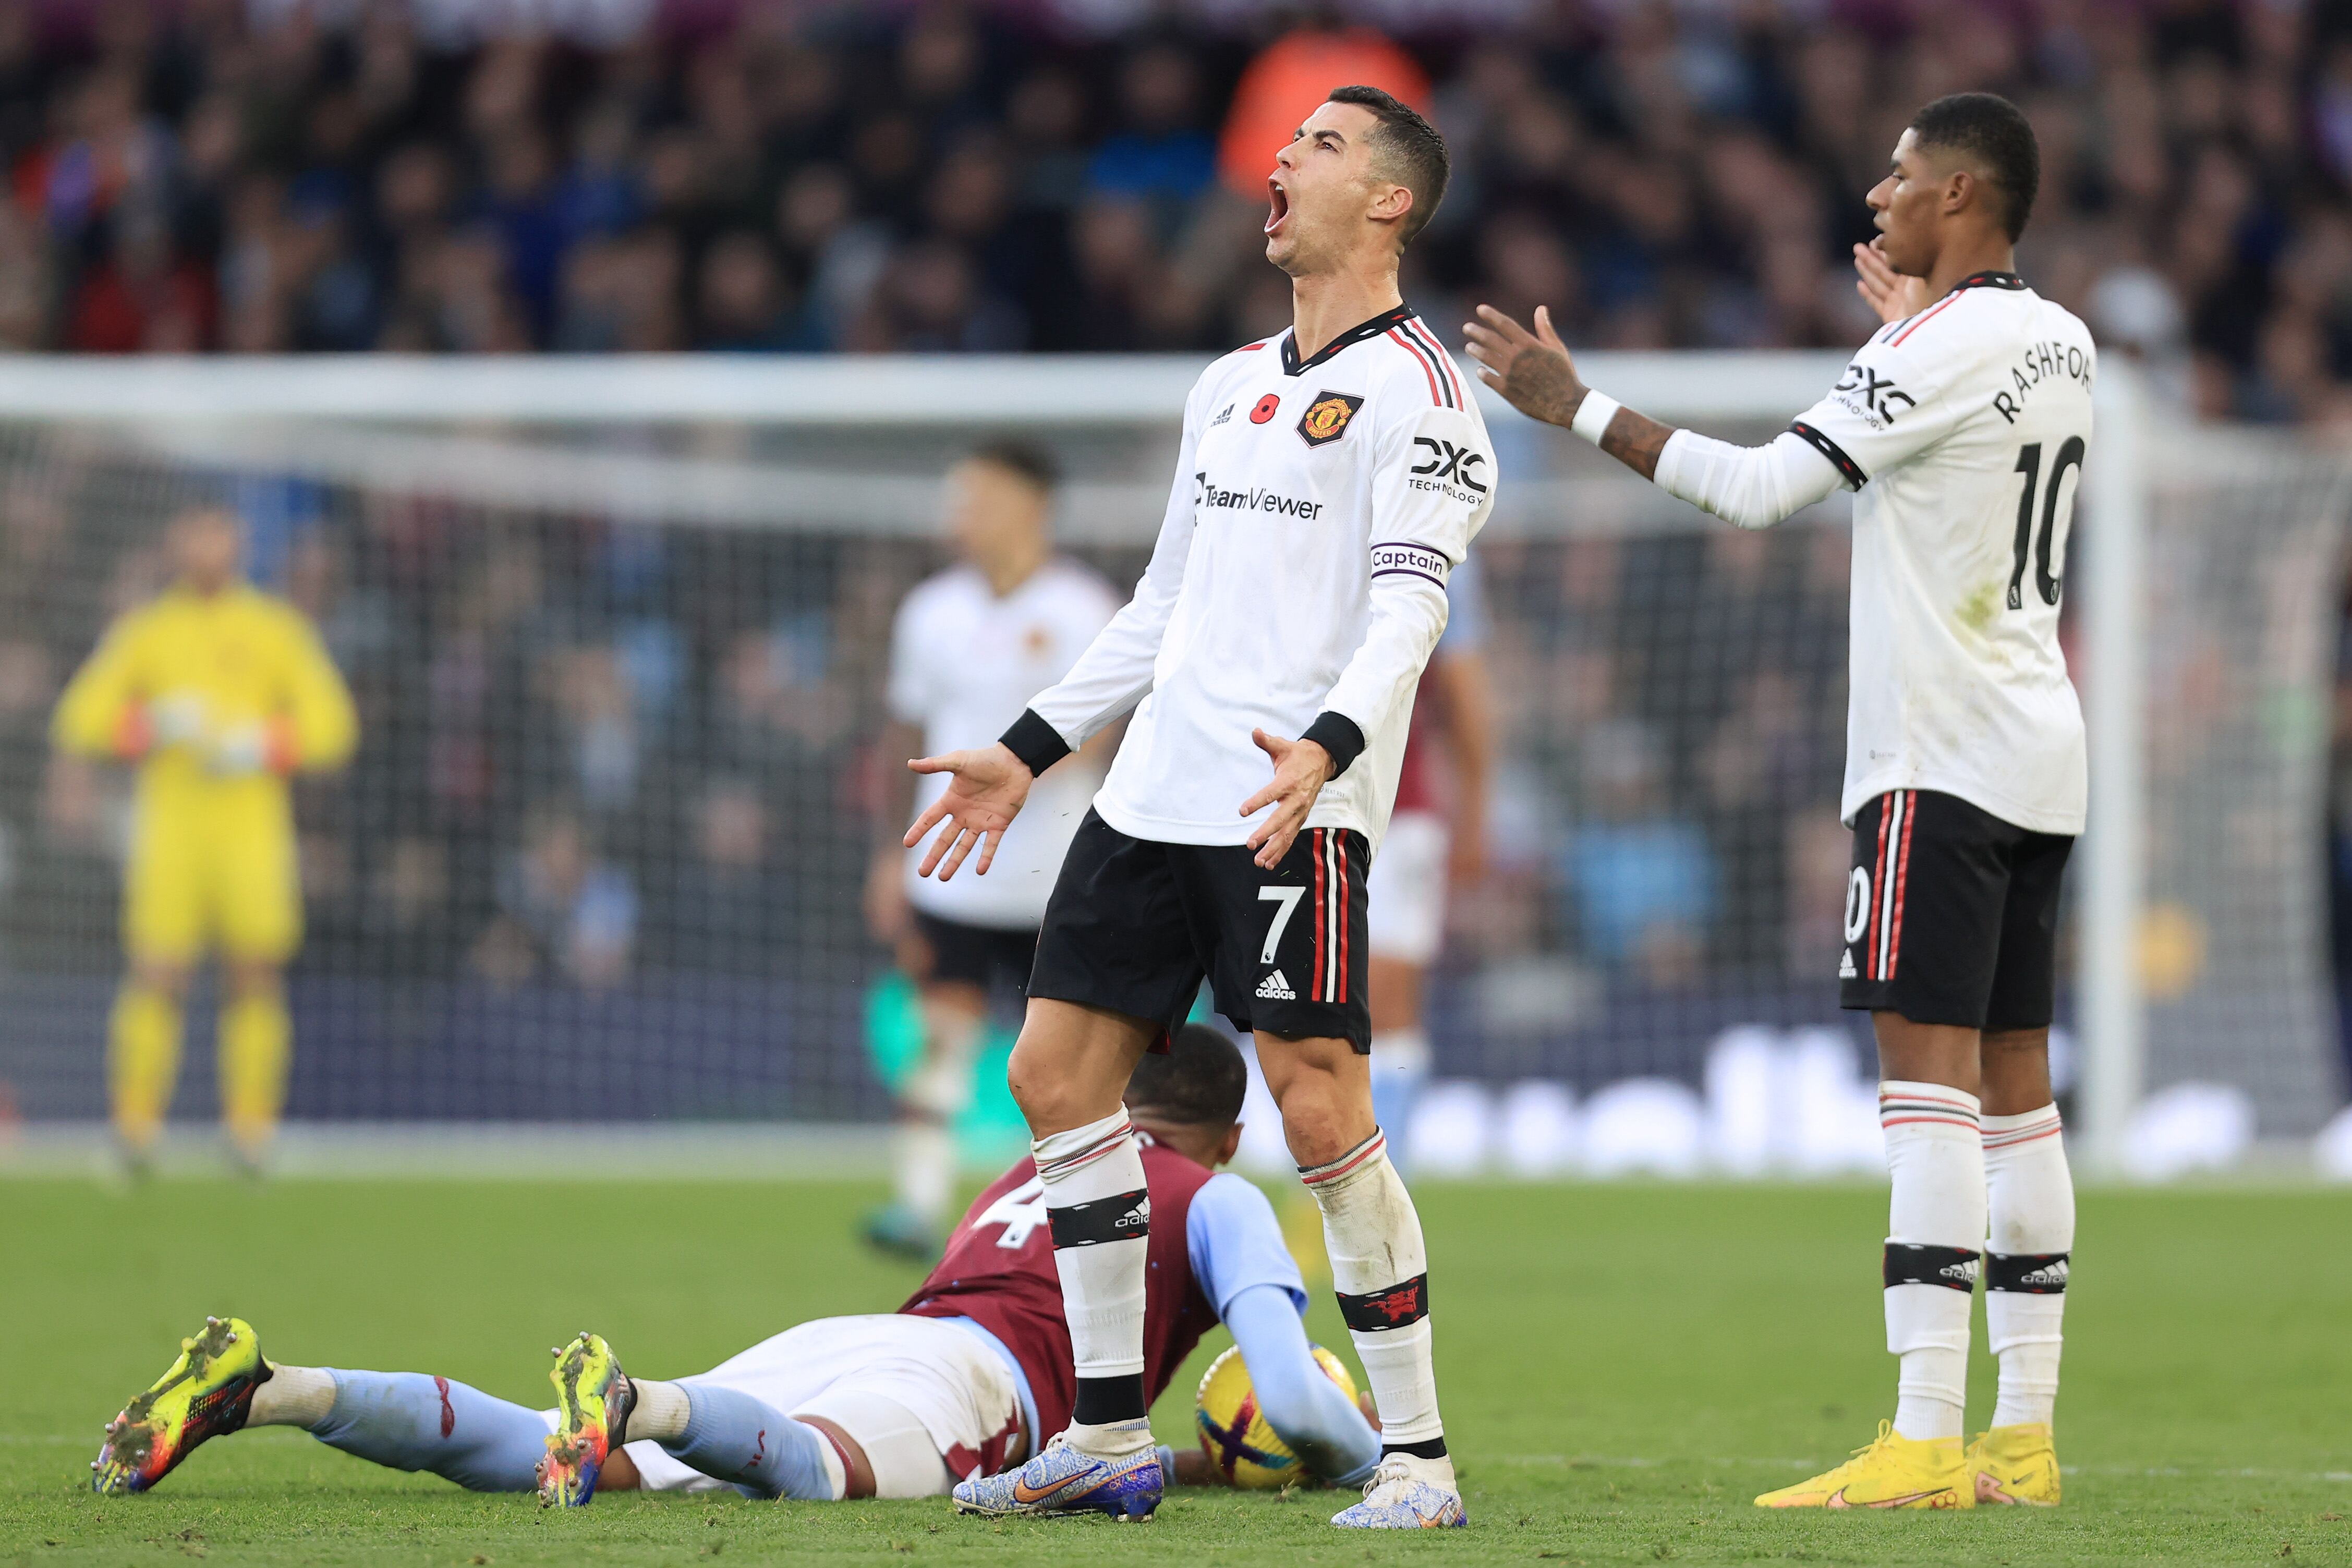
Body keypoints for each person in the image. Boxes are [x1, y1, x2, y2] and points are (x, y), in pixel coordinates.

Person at [1465, 92, 2084, 1511]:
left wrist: (1579, 407)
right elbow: (1945, 422)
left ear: (1962, 200)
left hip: (1933, 757)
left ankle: (1925, 1429)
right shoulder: (2059, 335)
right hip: (2039, 750)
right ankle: (2024, 1434)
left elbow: (1752, 492)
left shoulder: (1933, 346)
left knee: (1922, 1087)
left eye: (1901, 177)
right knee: (2015, 1090)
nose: (1875, 195)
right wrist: (1897, 330)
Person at [904, 86, 1492, 1529]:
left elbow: (1414, 601)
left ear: (1390, 201)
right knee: (1052, 1077)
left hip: (1286, 806)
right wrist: (1031, 745)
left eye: (1321, 145)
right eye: (1285, 144)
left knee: (1316, 1103)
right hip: (1153, 791)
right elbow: (1162, 599)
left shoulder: (1421, 389)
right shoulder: (1225, 383)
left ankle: (1416, 1455)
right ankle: (1108, 1429)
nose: (1281, 162)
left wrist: (1332, 743)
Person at [89, 1027, 1383, 1508]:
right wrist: (1373, 1457)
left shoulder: (1028, 1167)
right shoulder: (1215, 1192)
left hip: (861, 1331)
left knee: (554, 1444)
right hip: (973, 1379)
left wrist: (1201, 1459)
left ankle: (270, 1387)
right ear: (1223, 1132)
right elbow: (1299, 1389)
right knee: (817, 1470)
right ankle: (641, 1398)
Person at [863, 441, 1121, 1258]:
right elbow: (903, 733)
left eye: (977, 496)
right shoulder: (930, 611)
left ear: (1030, 504)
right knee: (941, 1031)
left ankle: (1083, 1205)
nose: (961, 514)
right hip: (949, 871)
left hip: (1055, 874)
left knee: (1067, 1056)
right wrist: (883, 854)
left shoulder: (1084, 607)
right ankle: (917, 1202)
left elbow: (1113, 732)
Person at [51, 505, 358, 1175]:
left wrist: (265, 744)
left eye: (217, 532)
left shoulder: (275, 629)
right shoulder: (147, 631)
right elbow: (79, 717)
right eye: (192, 532)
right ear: (175, 541)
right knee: (157, 974)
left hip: (251, 829)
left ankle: (249, 1132)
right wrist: (148, 725)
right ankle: (135, 1131)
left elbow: (335, 724)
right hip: (172, 829)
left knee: (254, 974)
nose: (205, 545)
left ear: (238, 541)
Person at [1367, 553, 1494, 1147]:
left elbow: (1467, 701)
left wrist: (1472, 819)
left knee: (1386, 993)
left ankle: (1386, 1176)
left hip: (1402, 814)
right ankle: (1339, 1180)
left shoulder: (1439, 558)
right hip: (1306, 811)